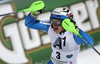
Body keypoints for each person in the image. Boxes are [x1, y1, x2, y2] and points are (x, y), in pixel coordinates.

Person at [25, 3, 94, 64]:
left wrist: (77, 30)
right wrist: (33, 13)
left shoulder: (74, 34)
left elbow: (90, 42)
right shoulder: (50, 27)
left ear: (66, 22)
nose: (54, 25)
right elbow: (29, 23)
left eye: (56, 22)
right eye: (52, 21)